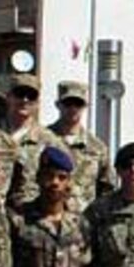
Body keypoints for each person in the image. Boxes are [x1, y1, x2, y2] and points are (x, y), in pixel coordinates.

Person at [45, 81, 114, 215]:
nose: (73, 109)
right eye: (68, 104)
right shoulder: (43, 141)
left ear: (85, 106)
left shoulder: (97, 148)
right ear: (58, 105)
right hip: (48, 218)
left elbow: (106, 190)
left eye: (78, 104)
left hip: (84, 219)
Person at [4, 74, 48, 208]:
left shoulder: (48, 140)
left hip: (28, 213)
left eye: (31, 96)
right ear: (8, 97)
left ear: (38, 102)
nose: (25, 100)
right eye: (20, 94)